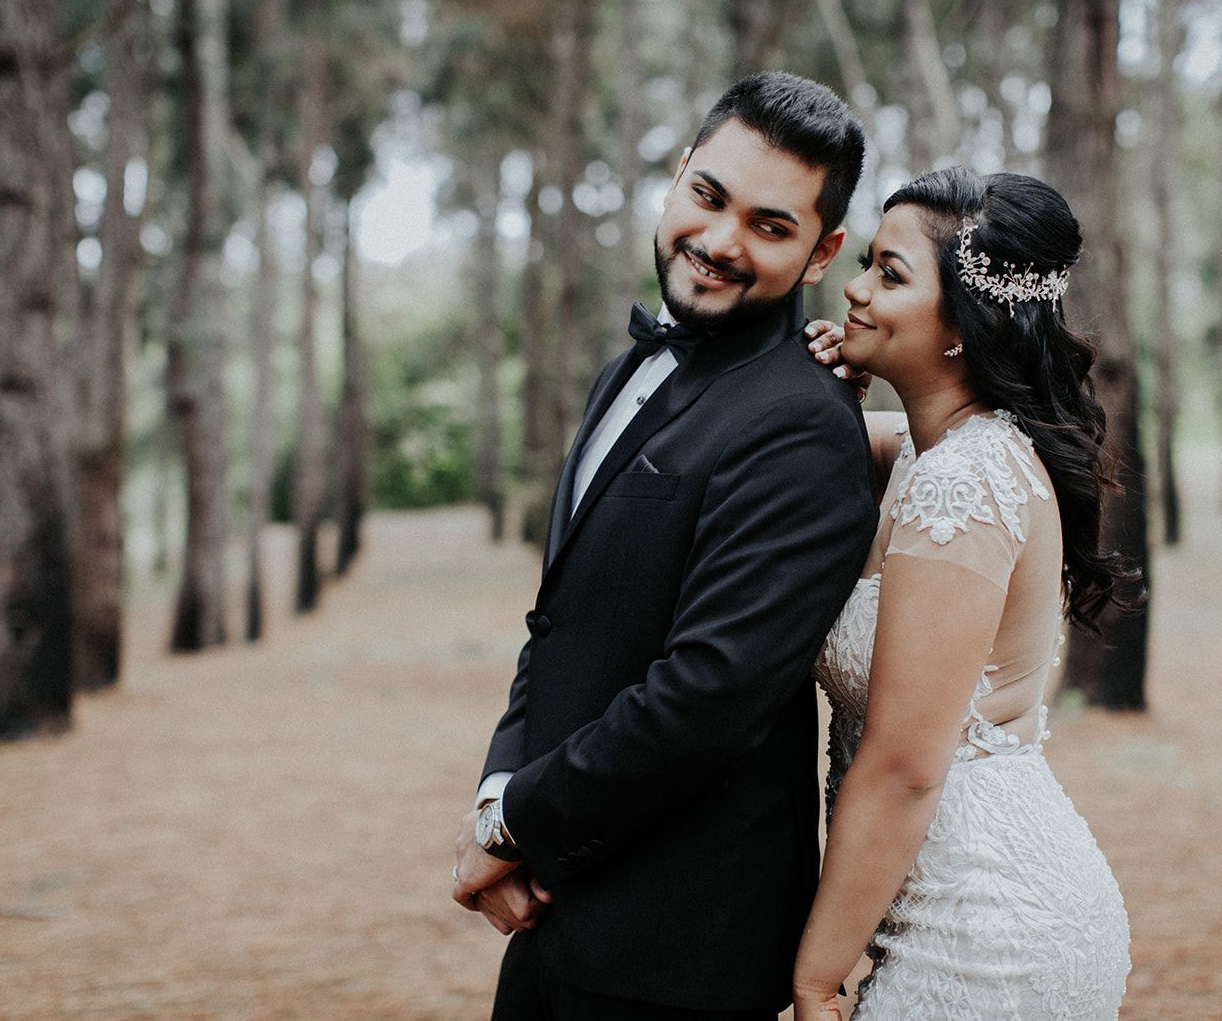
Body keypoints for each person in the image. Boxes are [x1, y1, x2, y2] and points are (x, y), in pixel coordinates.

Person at [451, 71, 880, 1020]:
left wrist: (519, 821)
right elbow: (560, 621)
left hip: (677, 958)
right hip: (555, 924)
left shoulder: (802, 426)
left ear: (823, 252)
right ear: (678, 175)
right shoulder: (624, 373)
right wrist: (498, 797)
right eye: (708, 195)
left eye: (771, 226)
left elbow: (709, 695)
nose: (720, 242)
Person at [795, 168, 1139, 1020]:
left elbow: (908, 766)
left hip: (986, 938)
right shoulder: (938, 449)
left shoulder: (966, 478)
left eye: (889, 273)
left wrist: (814, 975)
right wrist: (827, 382)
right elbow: (818, 436)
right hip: (980, 907)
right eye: (867, 264)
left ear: (963, 325)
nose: (856, 288)